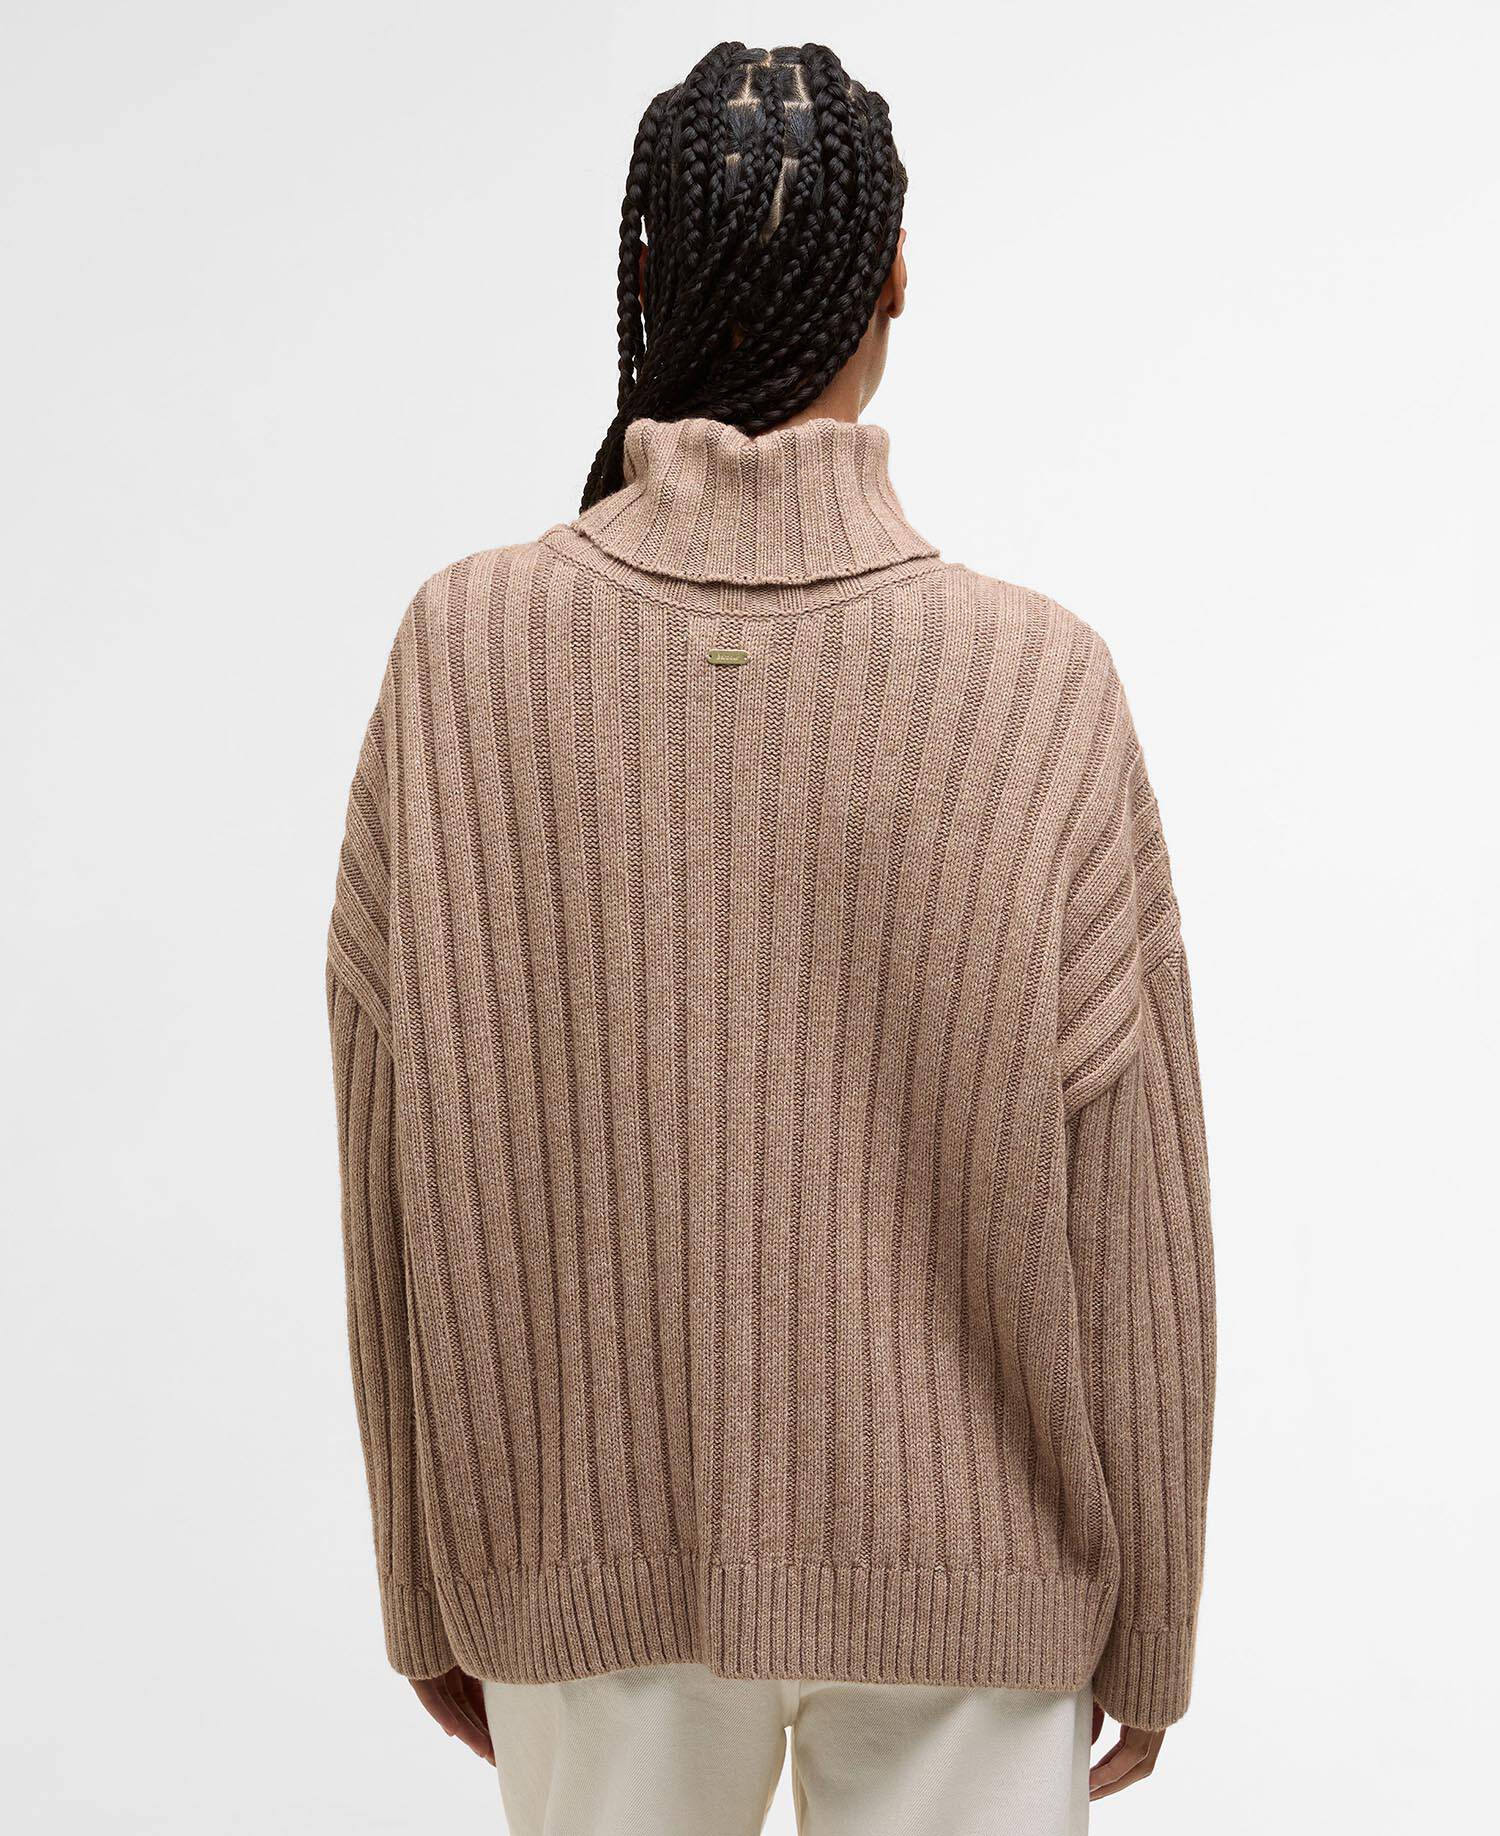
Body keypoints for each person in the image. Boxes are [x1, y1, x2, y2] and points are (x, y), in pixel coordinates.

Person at [325, 40, 1215, 1836]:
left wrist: (433, 1574)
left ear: (646, 271)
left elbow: (389, 1145)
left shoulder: (465, 654)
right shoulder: (1036, 681)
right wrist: (1157, 1620)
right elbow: (1135, 1200)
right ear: (895, 279)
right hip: (974, 1578)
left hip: (577, 1558)